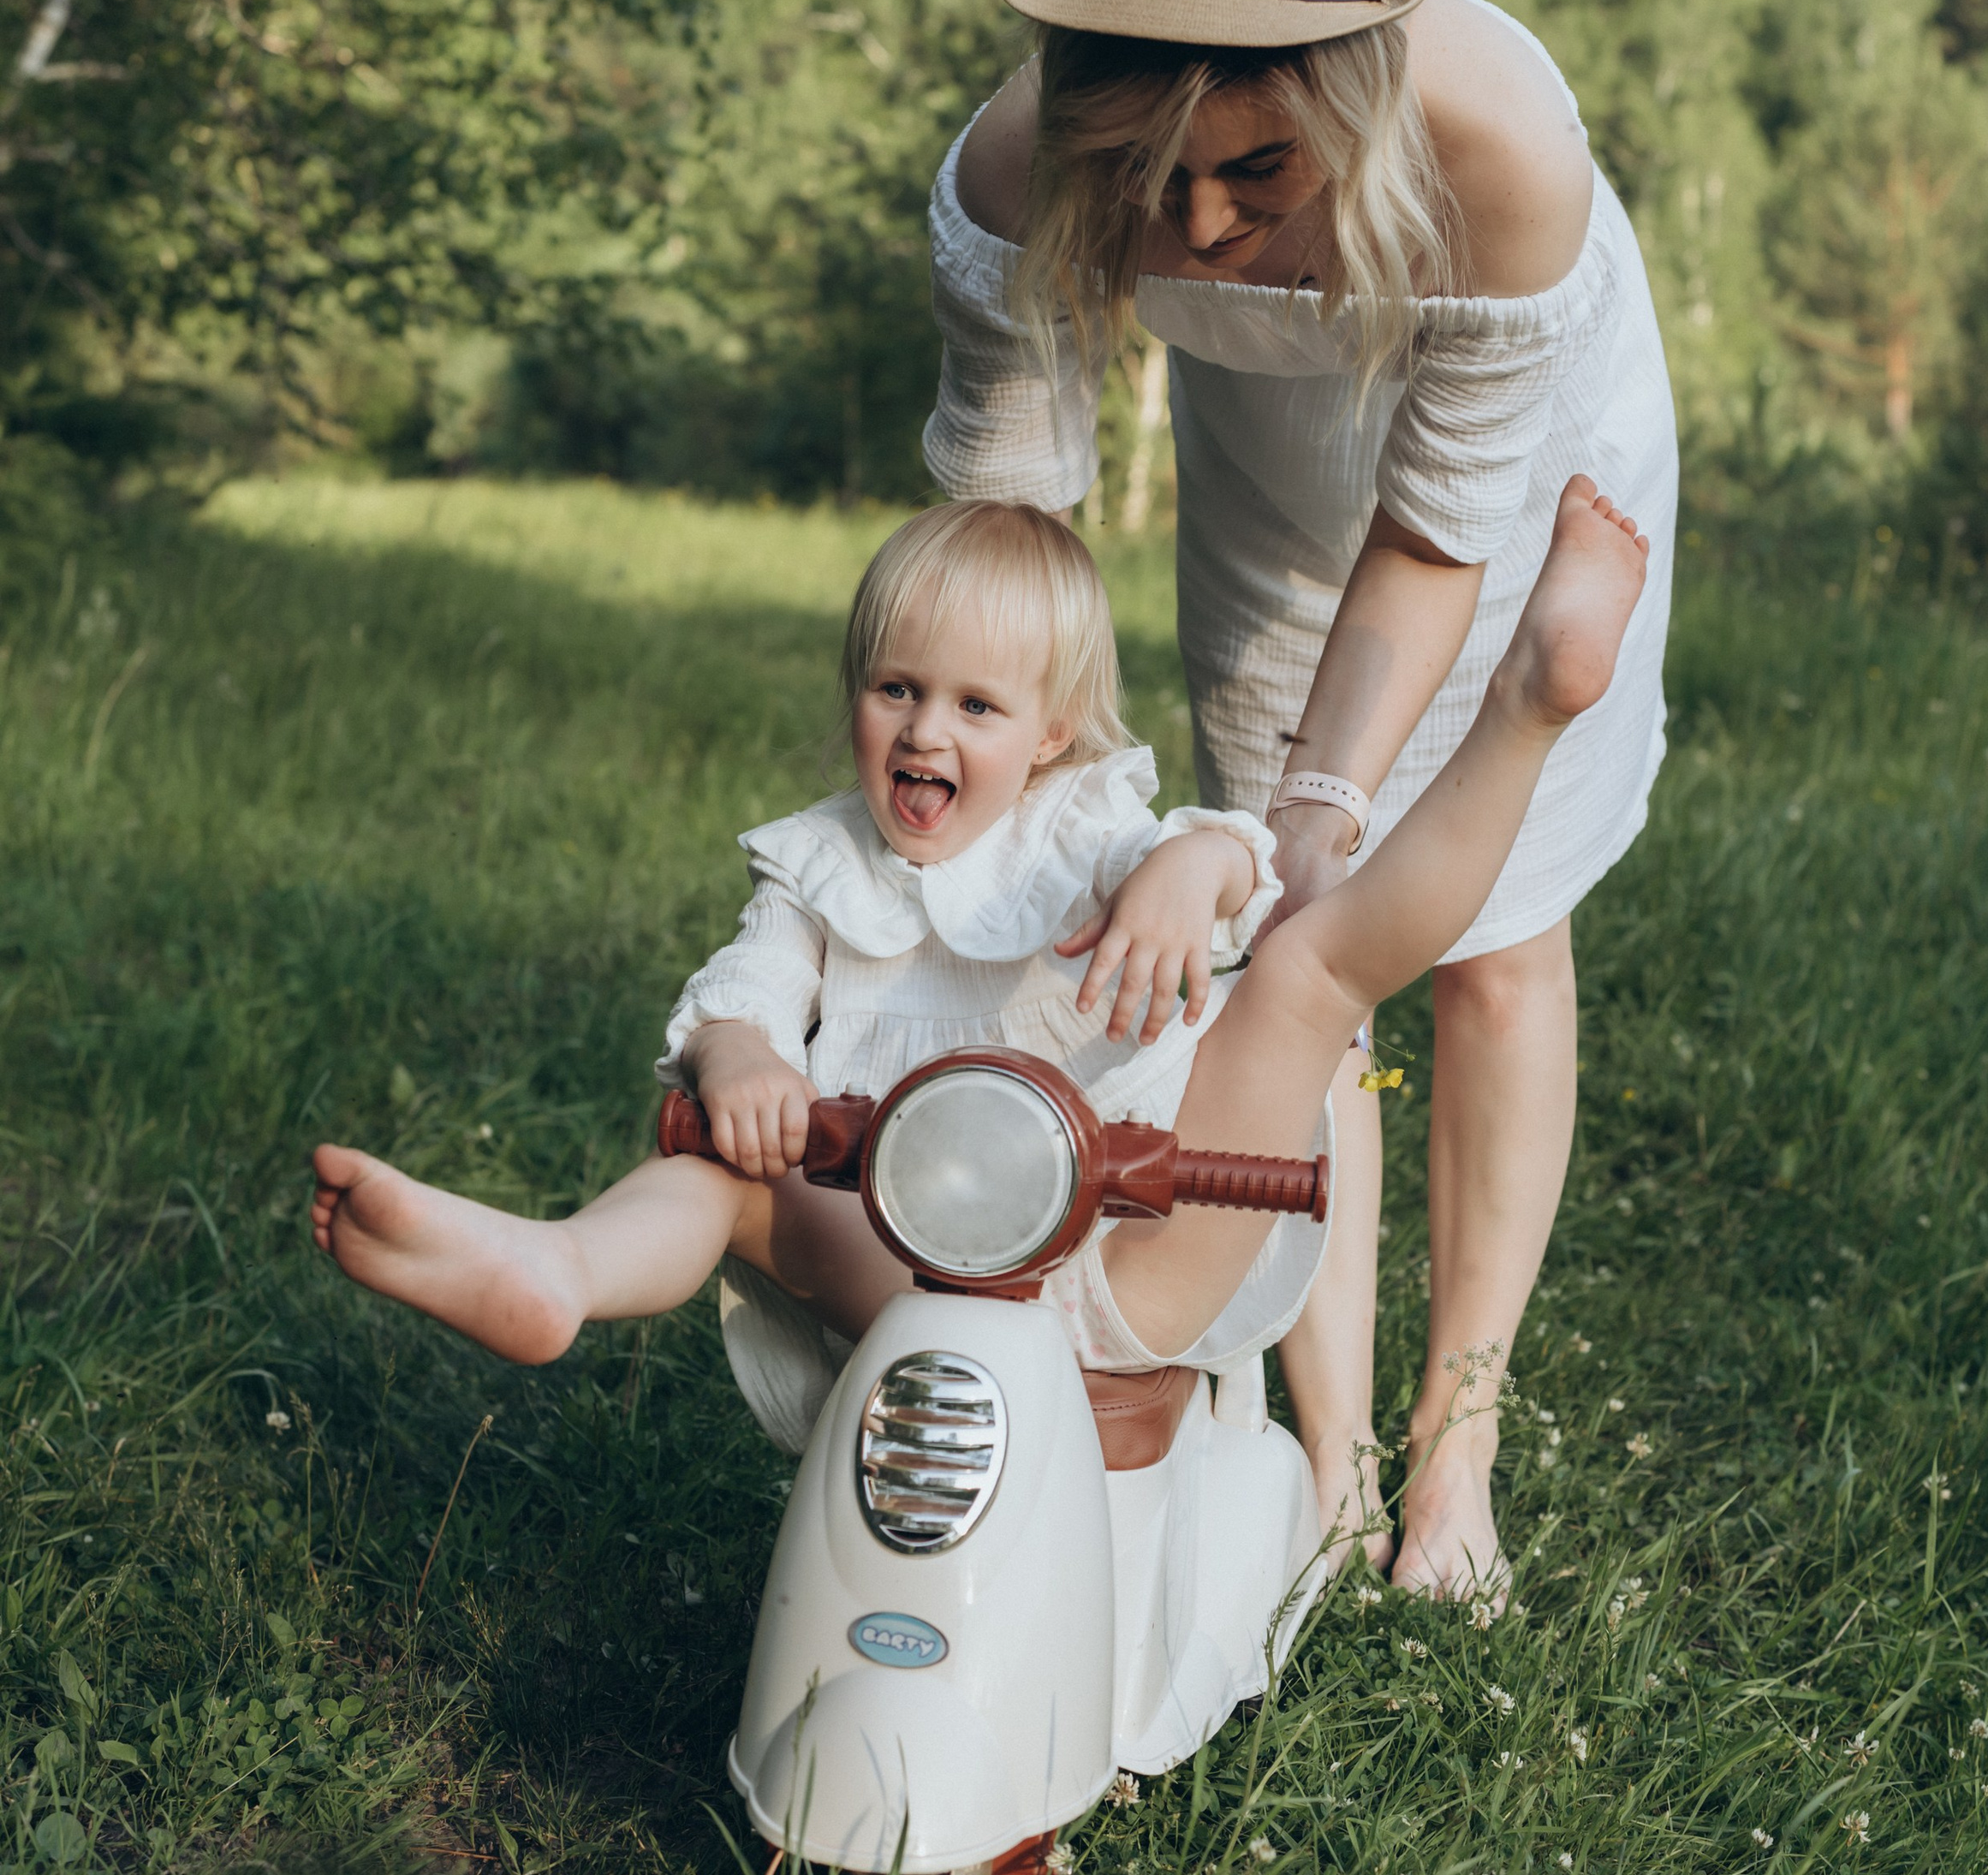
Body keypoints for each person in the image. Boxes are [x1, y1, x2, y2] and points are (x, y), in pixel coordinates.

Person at [924, 0, 1679, 1595]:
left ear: (1346, 106)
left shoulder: (1497, 157)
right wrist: (1032, 804)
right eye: (1148, 179)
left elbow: (1431, 539)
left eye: (1257, 177)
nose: (1193, 228)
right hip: (1264, 474)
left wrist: (1329, 802)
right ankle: (1326, 1466)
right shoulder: (1012, 176)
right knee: (1291, 965)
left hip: (1514, 483)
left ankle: (1454, 1454)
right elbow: (1007, 549)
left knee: (1490, 934)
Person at [308, 482, 1651, 1415]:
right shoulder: (823, 865)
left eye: (975, 706)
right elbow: (747, 987)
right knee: (719, 1175)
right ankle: (557, 1271)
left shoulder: (1085, 831)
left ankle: (1527, 707)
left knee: (1314, 966)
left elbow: (1229, 863)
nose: (925, 731)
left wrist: (1195, 869)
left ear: (1051, 733)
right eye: (896, 689)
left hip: (1132, 1259)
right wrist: (736, 1059)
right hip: (906, 1267)